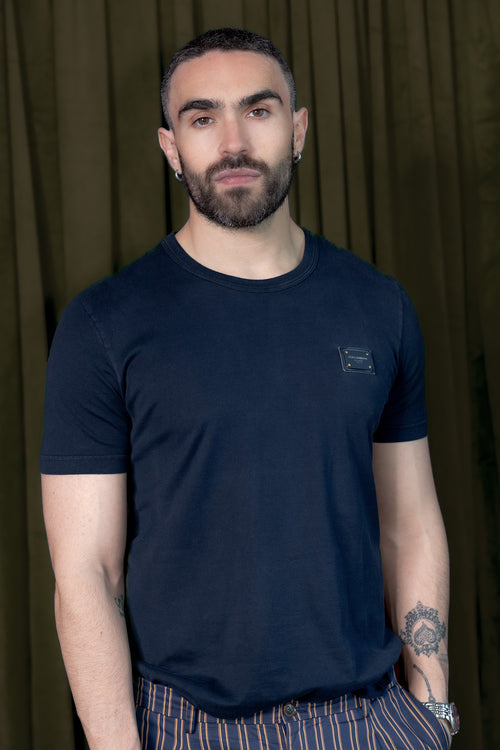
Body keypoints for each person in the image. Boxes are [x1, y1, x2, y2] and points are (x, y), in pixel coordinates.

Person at [40, 27, 459, 750]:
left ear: (297, 130)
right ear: (171, 147)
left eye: (258, 111)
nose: (233, 143)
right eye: (202, 118)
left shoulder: (378, 306)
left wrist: (433, 714)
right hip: (186, 728)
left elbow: (410, 521)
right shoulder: (104, 324)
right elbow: (86, 575)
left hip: (368, 722)